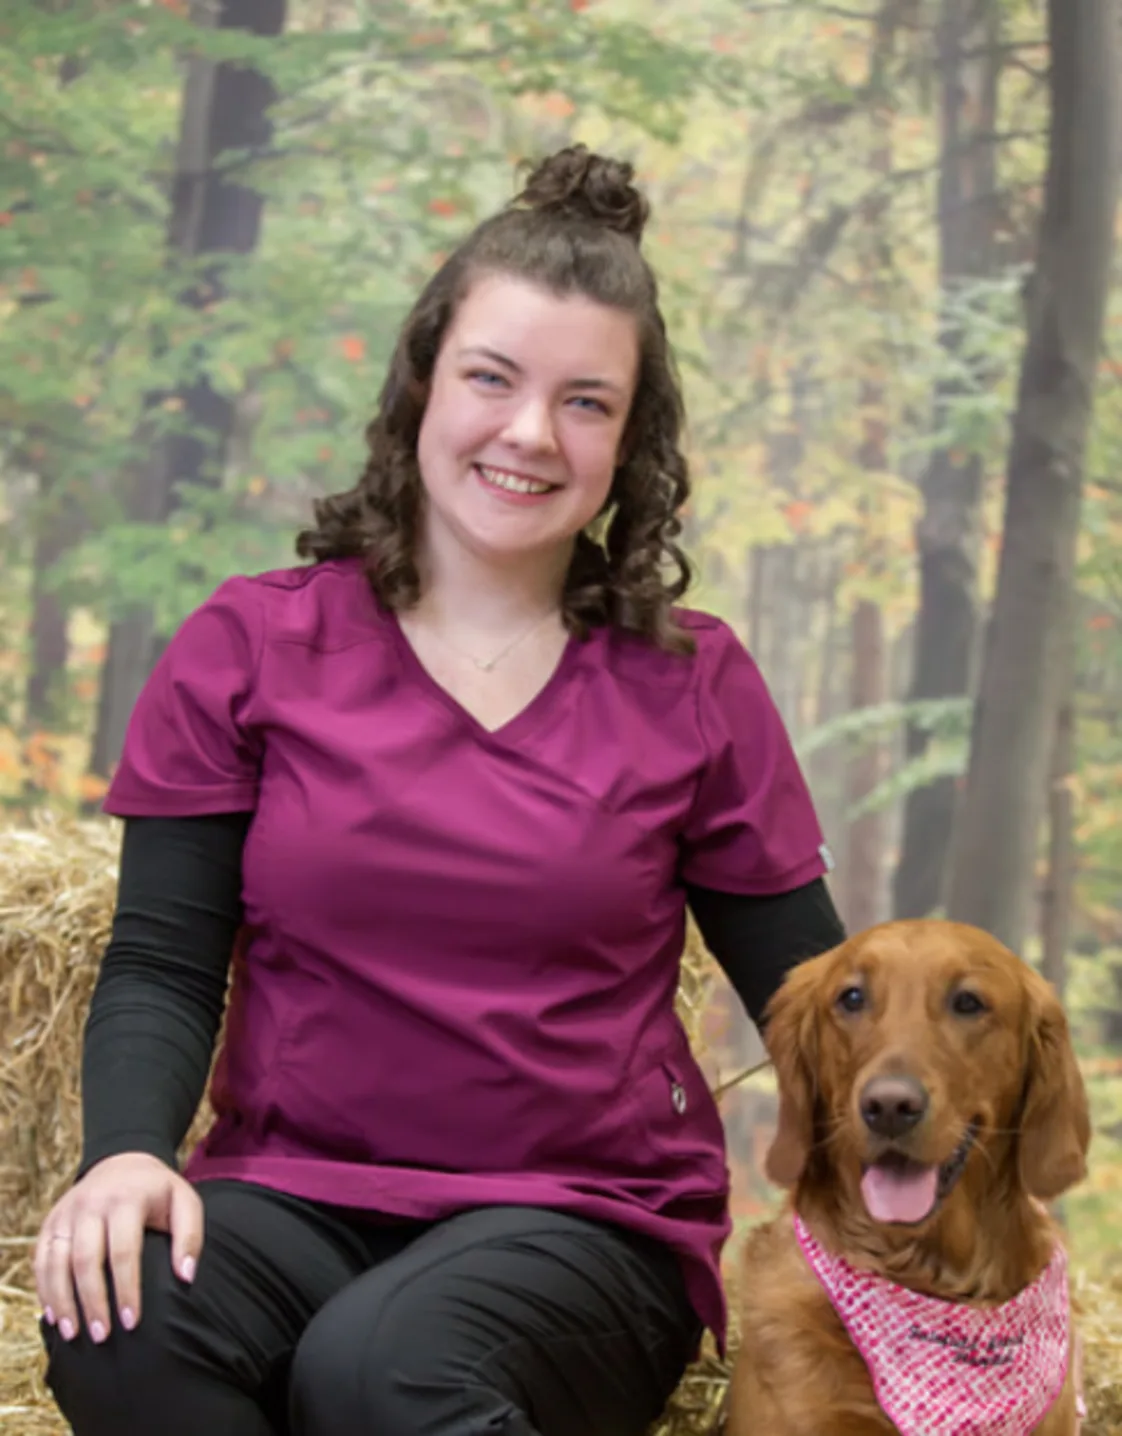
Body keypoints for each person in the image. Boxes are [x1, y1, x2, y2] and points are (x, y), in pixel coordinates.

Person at [36, 145, 845, 1436]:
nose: (529, 433)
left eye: (585, 402)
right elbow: (161, 959)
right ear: (423, 382)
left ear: (628, 442)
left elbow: (818, 1006)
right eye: (492, 378)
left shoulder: (693, 684)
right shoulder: (248, 645)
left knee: (379, 1371)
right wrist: (125, 1154)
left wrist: (943, 1219)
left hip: (583, 1225)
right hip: (289, 1194)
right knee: (120, 1316)